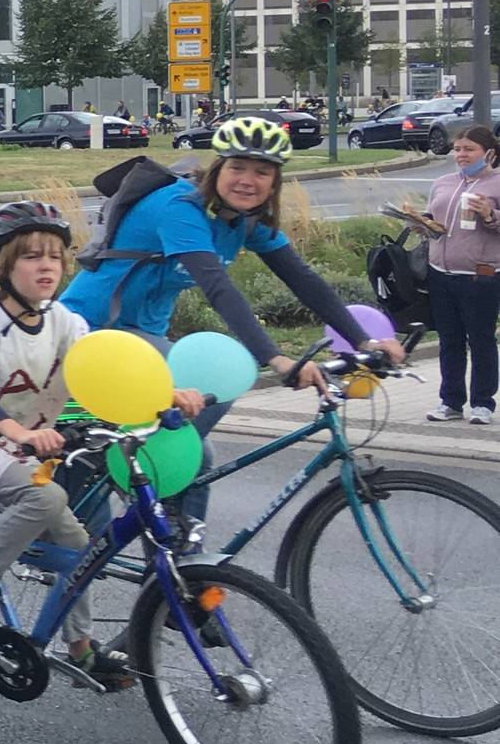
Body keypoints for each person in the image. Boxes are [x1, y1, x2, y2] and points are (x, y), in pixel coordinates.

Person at [57, 115, 398, 531]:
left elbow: (302, 279)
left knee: (195, 457)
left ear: (274, 184)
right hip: (88, 332)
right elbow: (218, 288)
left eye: (262, 172)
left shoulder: (243, 220)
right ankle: (110, 495)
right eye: (237, 167)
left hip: (142, 335)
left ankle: (178, 567)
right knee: (99, 488)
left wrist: (365, 340)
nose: (247, 180)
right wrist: (275, 358)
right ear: (218, 169)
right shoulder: (179, 207)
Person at [0, 201, 141, 690]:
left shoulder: (63, 322)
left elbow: (100, 369)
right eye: (32, 257)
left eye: (55, 256)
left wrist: (160, 394)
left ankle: (80, 649)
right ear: (4, 266)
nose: (47, 267)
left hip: (16, 451)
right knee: (47, 496)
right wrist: (22, 435)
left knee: (81, 546)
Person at [423, 125, 500, 424]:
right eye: (457, 149)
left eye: (469, 149)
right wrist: (421, 222)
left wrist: (489, 215)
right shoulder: (443, 182)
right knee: (449, 339)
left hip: (480, 275)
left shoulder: (496, 184)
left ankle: (483, 403)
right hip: (441, 272)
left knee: (480, 338)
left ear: (488, 153)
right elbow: (434, 217)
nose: (461, 155)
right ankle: (450, 401)